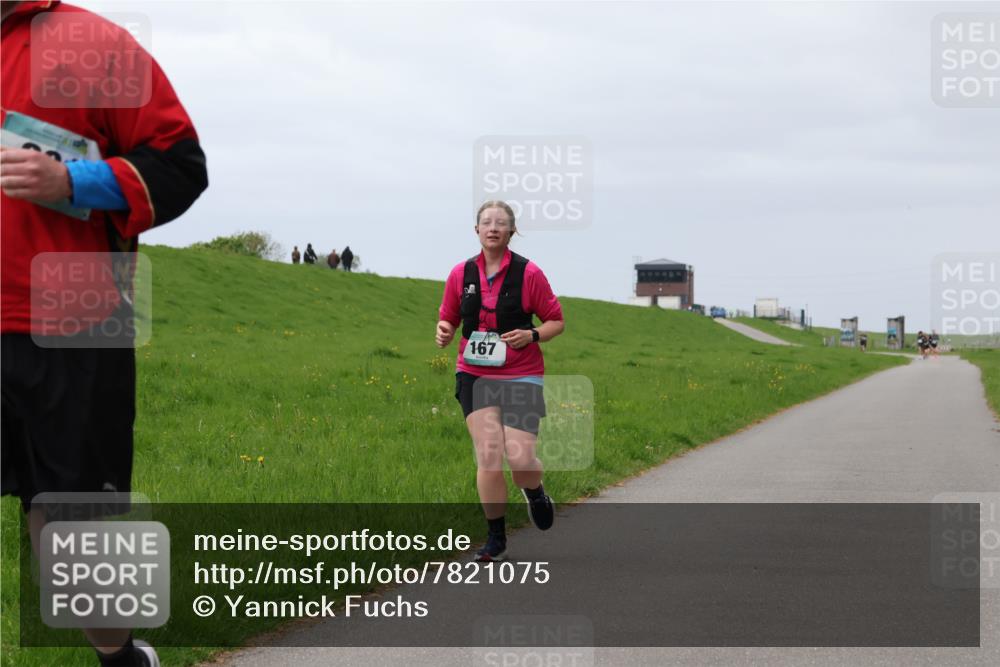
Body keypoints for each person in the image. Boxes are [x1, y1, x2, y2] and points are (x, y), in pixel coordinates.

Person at [2, 2, 208, 666]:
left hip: (70, 326)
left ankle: (122, 657)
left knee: (65, 525)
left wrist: (71, 179)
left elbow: (181, 164)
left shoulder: (96, 44)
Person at [435, 200, 565, 562]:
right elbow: (448, 318)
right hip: (474, 373)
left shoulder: (529, 274)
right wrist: (444, 332)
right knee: (489, 453)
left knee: (521, 458)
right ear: (476, 230)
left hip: (521, 373)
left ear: (511, 231)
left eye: (501, 223)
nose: (493, 227)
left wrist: (533, 336)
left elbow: (556, 321)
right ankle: (495, 538)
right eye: (486, 222)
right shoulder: (460, 274)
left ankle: (534, 490)